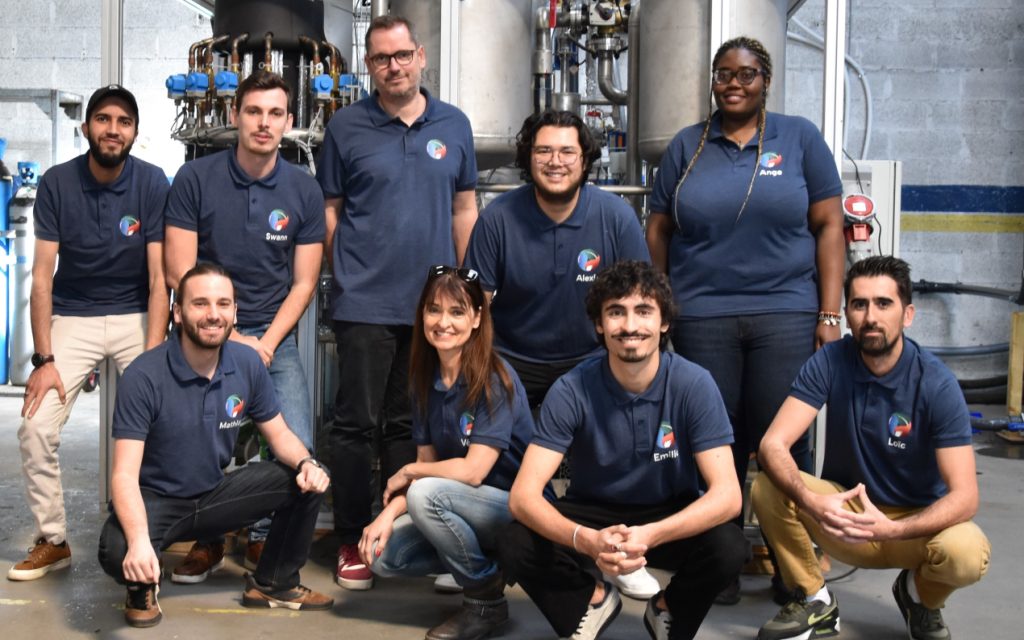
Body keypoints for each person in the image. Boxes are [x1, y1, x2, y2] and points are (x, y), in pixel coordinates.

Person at [645, 36, 845, 604]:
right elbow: (658, 227)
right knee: (715, 445)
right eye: (723, 74)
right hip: (702, 316)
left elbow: (829, 225)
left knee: (784, 445)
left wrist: (830, 313)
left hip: (786, 313)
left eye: (747, 74)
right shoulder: (687, 145)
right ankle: (721, 566)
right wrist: (662, 303)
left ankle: (794, 568)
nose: (734, 84)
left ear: (766, 81)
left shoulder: (799, 138)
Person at [499, 261, 748, 640]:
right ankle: (591, 600)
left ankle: (669, 609)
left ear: (664, 322)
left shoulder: (694, 384)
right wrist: (586, 539)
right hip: (594, 512)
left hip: (668, 512)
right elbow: (522, 497)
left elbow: (728, 496)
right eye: (616, 312)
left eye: (643, 311)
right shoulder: (571, 389)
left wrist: (651, 534)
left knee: (730, 546)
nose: (630, 326)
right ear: (599, 324)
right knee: (513, 541)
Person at [316, 14, 479, 591]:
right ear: (369, 65)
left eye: (402, 55)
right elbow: (330, 209)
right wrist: (346, 272)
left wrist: (465, 289)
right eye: (382, 58)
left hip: (433, 311)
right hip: (364, 303)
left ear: (421, 56)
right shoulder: (346, 127)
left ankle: (399, 534)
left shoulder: (454, 124)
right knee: (355, 425)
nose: (394, 66)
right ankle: (352, 538)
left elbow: (464, 208)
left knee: (411, 425)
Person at [752, 256, 990, 640]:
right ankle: (814, 600)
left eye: (883, 303)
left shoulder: (936, 383)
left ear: (907, 314)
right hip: (848, 518)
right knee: (767, 486)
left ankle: (919, 598)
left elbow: (966, 496)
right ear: (847, 314)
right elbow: (772, 444)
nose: (871, 317)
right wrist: (813, 502)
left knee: (967, 554)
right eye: (859, 304)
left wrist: (894, 529)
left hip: (913, 528)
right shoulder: (830, 360)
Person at [97, 263, 333, 628]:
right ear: (178, 312)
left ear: (235, 313)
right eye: (200, 303)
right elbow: (124, 476)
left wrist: (306, 464)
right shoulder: (143, 376)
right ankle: (142, 583)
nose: (213, 314)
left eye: (223, 304)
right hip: (157, 500)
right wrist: (140, 541)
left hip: (214, 494)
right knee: (116, 551)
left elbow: (280, 435)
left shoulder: (247, 363)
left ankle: (275, 583)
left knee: (311, 476)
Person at [164, 70, 325, 580]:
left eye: (275, 113)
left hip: (274, 341)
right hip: (204, 335)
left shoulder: (304, 190)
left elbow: (304, 283)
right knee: (197, 443)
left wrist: (265, 345)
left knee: (296, 447)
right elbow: (179, 272)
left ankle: (262, 538)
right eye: (253, 111)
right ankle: (207, 537)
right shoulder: (195, 179)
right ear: (235, 116)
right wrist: (231, 338)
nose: (263, 123)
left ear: (289, 121)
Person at [9, 85, 169, 581]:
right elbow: (41, 277)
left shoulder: (151, 182)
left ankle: (160, 530)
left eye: (123, 122)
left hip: (135, 314)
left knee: (166, 420)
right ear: (86, 128)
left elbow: (160, 279)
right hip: (73, 315)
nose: (112, 130)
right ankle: (52, 539)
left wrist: (154, 357)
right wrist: (44, 360)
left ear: (134, 132)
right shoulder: (58, 183)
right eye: (103, 119)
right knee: (36, 426)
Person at [358, 265, 538, 640]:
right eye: (434, 309)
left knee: (426, 493)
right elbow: (428, 466)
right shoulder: (425, 379)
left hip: (515, 511)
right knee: (381, 555)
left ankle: (484, 599)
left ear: (477, 319)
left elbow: (473, 471)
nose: (443, 322)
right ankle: (487, 567)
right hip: (461, 506)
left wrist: (409, 472)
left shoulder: (494, 377)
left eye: (457, 312)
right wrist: (385, 516)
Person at [465, 109, 650, 410]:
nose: (555, 161)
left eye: (567, 152)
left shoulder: (617, 218)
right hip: (511, 360)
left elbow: (643, 302)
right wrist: (474, 371)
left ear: (585, 160)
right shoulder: (497, 219)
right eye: (543, 151)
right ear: (528, 158)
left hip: (594, 359)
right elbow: (475, 305)